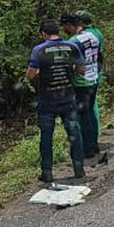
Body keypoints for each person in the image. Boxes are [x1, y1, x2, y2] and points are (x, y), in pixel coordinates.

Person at [27, 19, 85, 183]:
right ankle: (79, 169)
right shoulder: (72, 47)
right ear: (58, 32)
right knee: (74, 133)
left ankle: (47, 173)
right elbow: (81, 69)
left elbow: (30, 74)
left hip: (47, 100)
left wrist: (41, 73)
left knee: (46, 136)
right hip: (68, 97)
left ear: (43, 34)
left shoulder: (39, 50)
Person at [61, 12, 100, 159]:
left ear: (69, 25)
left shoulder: (73, 41)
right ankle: (94, 144)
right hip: (94, 78)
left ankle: (88, 149)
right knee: (90, 113)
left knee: (83, 116)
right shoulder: (92, 36)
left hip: (81, 82)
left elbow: (74, 65)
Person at [74, 10, 105, 142]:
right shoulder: (97, 32)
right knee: (92, 107)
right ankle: (94, 136)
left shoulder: (86, 36)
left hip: (87, 76)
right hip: (95, 73)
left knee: (88, 110)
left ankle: (90, 139)